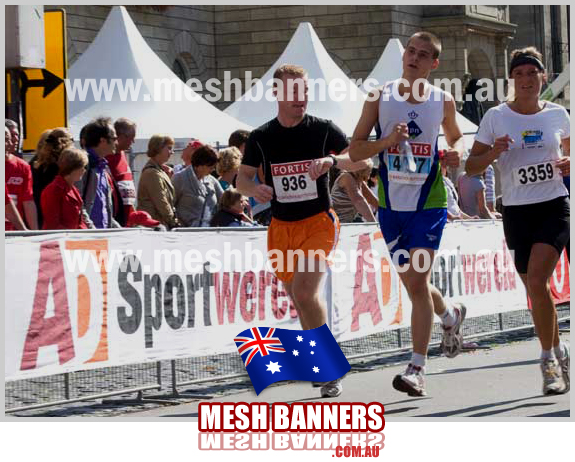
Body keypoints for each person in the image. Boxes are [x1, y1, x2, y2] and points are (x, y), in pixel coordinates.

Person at [237, 64, 369, 398]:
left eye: (306, 92)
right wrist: (254, 190)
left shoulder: (323, 130)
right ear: (278, 94)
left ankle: (329, 367)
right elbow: (242, 178)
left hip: (318, 222)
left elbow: (362, 160)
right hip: (281, 227)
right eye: (294, 92)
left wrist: (332, 162)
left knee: (307, 293)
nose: (301, 99)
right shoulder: (261, 137)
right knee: (298, 298)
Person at [349, 31, 467, 397]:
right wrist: (385, 143)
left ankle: (417, 367)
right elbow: (355, 149)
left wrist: (454, 153)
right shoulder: (380, 96)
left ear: (434, 64)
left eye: (423, 54)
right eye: (410, 52)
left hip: (428, 204)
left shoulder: (442, 100)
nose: (413, 58)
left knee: (415, 284)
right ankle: (449, 316)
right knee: (415, 285)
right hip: (391, 207)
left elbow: (456, 138)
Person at [465, 47, 570, 395]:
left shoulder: (558, 115)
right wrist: (494, 152)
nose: (526, 80)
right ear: (511, 80)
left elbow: (569, 154)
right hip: (516, 209)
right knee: (535, 289)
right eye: (519, 74)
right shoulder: (496, 116)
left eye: (532, 73)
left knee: (538, 280)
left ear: (543, 76)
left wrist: (570, 163)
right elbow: (470, 168)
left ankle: (548, 364)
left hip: (553, 204)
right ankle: (557, 348)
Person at [78, 118, 123, 228]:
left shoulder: (103, 166)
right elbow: (77, 204)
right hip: (88, 237)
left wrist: (119, 230)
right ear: (102, 141)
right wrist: (91, 230)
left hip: (101, 237)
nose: (117, 142)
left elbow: (105, 210)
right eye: (114, 138)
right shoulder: (82, 164)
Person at [30, 127, 74, 227]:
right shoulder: (62, 166)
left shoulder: (37, 163)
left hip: (38, 213)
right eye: (72, 140)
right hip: (55, 217)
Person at [173, 145, 223, 227]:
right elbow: (171, 205)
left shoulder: (212, 181)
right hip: (185, 233)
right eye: (210, 167)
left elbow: (225, 201)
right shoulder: (180, 178)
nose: (213, 169)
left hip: (209, 232)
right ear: (200, 164)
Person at [41, 148, 91, 230]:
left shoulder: (73, 189)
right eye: (83, 166)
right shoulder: (53, 190)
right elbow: (53, 224)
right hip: (59, 239)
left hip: (73, 238)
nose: (84, 170)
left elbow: (80, 220)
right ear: (73, 167)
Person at [137, 135, 180, 229]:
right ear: (158, 148)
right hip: (154, 228)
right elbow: (162, 203)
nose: (172, 152)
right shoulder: (152, 173)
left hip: (159, 226)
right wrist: (174, 223)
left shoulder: (159, 171)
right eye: (169, 148)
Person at [5, 126, 38, 230]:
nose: (12, 142)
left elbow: (27, 201)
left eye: (16, 135)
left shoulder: (22, 166)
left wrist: (33, 233)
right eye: (7, 139)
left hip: (12, 231)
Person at [107, 118, 137, 224]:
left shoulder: (123, 154)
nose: (133, 141)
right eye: (131, 138)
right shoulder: (106, 158)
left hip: (127, 221)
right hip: (114, 221)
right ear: (120, 137)